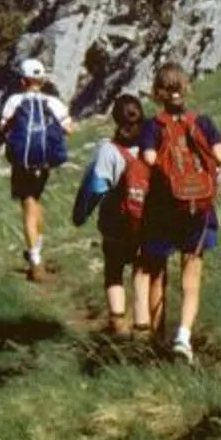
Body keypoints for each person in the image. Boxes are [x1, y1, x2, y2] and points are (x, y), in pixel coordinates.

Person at [136, 63, 221, 360]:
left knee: (157, 274)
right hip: (199, 209)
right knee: (191, 276)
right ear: (187, 88)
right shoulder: (202, 122)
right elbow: (220, 155)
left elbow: (149, 158)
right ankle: (184, 337)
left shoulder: (153, 126)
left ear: (158, 94)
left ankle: (158, 341)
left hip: (162, 209)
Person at [71, 92, 148, 335]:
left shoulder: (109, 149)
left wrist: (81, 215)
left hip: (116, 224)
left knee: (114, 270)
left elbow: (96, 188)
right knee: (142, 269)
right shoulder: (153, 145)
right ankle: (143, 326)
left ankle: (117, 321)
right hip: (148, 221)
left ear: (116, 119)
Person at [0, 57, 71, 279]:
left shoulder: (14, 101)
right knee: (35, 201)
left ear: (23, 81)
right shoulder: (53, 102)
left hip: (22, 161)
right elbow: (69, 128)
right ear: (43, 80)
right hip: (44, 160)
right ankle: (37, 245)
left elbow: (3, 128)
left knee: (28, 204)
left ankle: (35, 259)